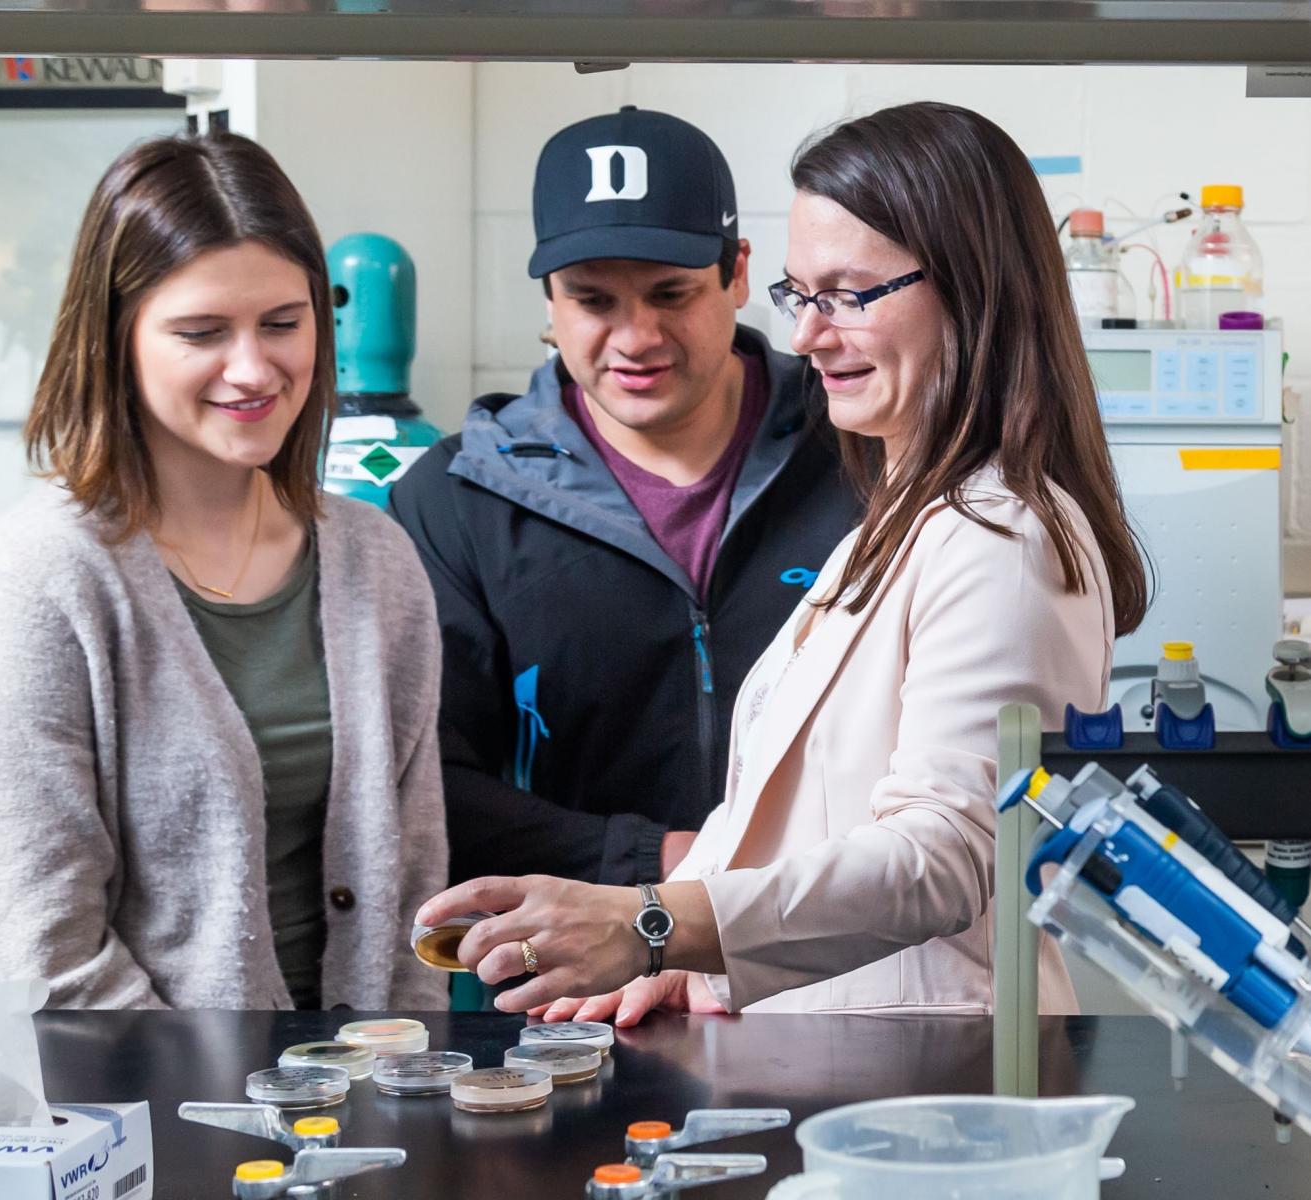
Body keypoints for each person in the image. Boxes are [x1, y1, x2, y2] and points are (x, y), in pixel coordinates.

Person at [415, 101, 1149, 1023]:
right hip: (837, 1062)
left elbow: (948, 853)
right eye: (803, 296)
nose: (806, 336)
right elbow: (792, 817)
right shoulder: (896, 520)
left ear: (972, 287)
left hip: (930, 1086)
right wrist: (680, 961)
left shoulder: (1002, 532)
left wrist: (652, 923)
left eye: (848, 294)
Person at [0, 132, 448, 1011]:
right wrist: (241, 1115)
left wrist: (400, 1101)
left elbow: (412, 903)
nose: (253, 368)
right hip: (121, 1119)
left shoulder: (373, 561)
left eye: (283, 323)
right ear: (115, 339)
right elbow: (37, 965)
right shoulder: (31, 583)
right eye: (201, 332)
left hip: (351, 1107)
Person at [389, 107, 859, 890]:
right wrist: (668, 866)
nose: (635, 337)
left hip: (845, 948)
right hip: (571, 978)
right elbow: (428, 783)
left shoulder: (860, 450)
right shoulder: (458, 499)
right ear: (549, 297)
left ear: (737, 272)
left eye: (670, 294)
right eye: (592, 300)